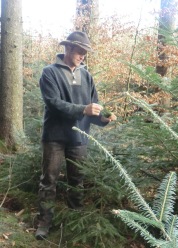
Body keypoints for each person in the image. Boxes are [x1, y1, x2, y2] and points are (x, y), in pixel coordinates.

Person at [35, 31, 117, 240]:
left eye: (85, 52)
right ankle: (44, 223)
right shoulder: (49, 72)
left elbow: (94, 107)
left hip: (79, 138)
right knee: (49, 180)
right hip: (54, 137)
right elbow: (54, 104)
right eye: (80, 51)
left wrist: (104, 119)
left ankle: (75, 220)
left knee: (77, 180)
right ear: (68, 48)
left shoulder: (86, 76)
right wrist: (83, 110)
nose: (83, 56)